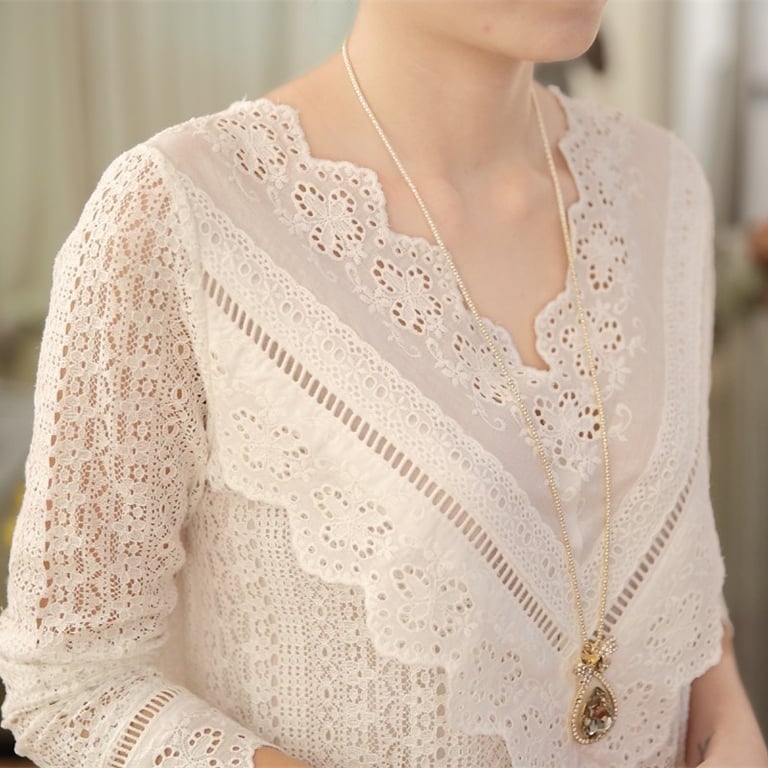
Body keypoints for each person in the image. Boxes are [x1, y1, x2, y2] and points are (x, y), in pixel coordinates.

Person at [0, 2, 766, 767]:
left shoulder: (663, 186)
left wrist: (726, 710)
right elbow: (72, 686)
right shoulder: (176, 215)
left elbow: (649, 558)